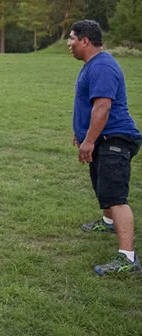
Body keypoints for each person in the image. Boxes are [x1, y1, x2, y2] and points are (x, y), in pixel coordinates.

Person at [68, 19, 142, 275]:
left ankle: (128, 259)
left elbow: (103, 107)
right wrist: (82, 133)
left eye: (72, 38)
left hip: (116, 138)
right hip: (103, 137)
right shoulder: (93, 64)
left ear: (85, 41)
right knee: (102, 187)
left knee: (115, 197)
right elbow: (90, 106)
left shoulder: (102, 66)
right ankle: (109, 222)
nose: (69, 43)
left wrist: (89, 140)